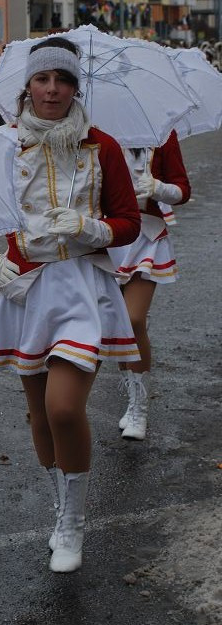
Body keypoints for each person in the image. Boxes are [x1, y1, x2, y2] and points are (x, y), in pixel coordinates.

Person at [0, 38, 141, 573]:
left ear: (75, 88)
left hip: (82, 287)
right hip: (25, 289)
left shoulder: (102, 146)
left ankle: (72, 525)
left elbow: (129, 222)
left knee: (65, 407)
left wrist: (92, 227)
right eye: (43, 80)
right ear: (28, 86)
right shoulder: (0, 146)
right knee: (40, 412)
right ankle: (60, 505)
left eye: (63, 81)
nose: (52, 90)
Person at [108, 133, 191, 441]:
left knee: (133, 319)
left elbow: (182, 190)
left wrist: (158, 188)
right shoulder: (95, 132)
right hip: (107, 236)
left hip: (146, 236)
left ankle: (138, 406)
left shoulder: (162, 134)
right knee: (117, 324)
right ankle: (129, 393)